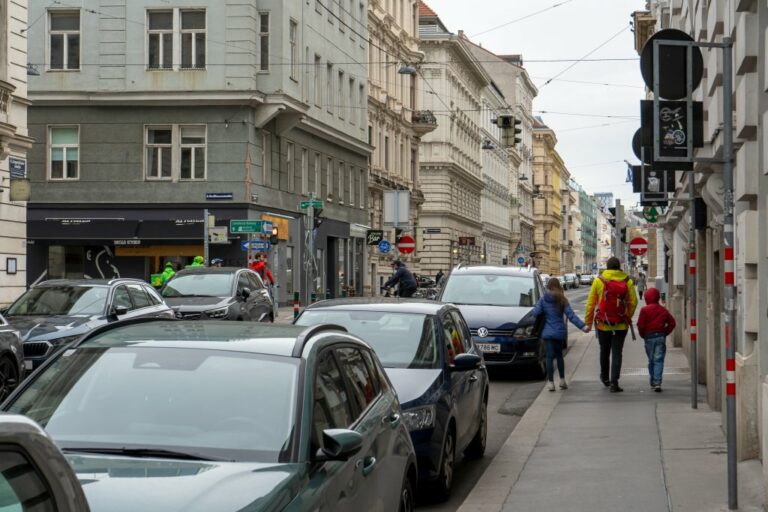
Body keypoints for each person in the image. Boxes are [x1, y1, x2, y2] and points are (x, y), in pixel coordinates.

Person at [585, 256, 638, 393]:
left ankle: (605, 378)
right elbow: (634, 302)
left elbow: (590, 303)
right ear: (619, 267)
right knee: (617, 352)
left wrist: (588, 322)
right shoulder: (627, 281)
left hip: (603, 324)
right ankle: (614, 382)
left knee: (604, 351)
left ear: (607, 267)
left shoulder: (599, 281)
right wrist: (627, 317)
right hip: (620, 325)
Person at [532, 277, 589, 391]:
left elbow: (535, 313)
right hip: (559, 332)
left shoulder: (543, 299)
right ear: (559, 286)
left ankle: (550, 383)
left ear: (548, 286)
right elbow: (571, 315)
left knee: (549, 357)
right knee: (559, 356)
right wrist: (583, 326)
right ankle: (562, 380)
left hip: (547, 333)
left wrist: (541, 308)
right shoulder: (562, 299)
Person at [637, 287, 676, 392]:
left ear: (646, 298)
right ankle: (657, 382)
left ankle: (653, 381)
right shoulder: (663, 310)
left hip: (649, 337)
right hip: (660, 336)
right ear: (658, 297)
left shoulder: (644, 310)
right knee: (658, 360)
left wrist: (643, 335)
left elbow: (640, 325)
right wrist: (665, 332)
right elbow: (672, 323)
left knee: (651, 360)